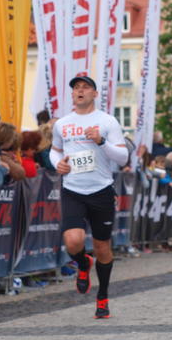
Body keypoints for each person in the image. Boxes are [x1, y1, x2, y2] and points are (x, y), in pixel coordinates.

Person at [50, 75, 128, 319]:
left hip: (101, 190)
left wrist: (101, 141)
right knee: (72, 241)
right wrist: (57, 164)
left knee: (102, 247)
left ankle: (102, 297)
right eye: (76, 88)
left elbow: (123, 157)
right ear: (72, 94)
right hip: (73, 189)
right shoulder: (62, 124)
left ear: (95, 94)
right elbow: (54, 151)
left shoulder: (107, 121)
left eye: (85, 87)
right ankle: (83, 263)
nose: (80, 91)